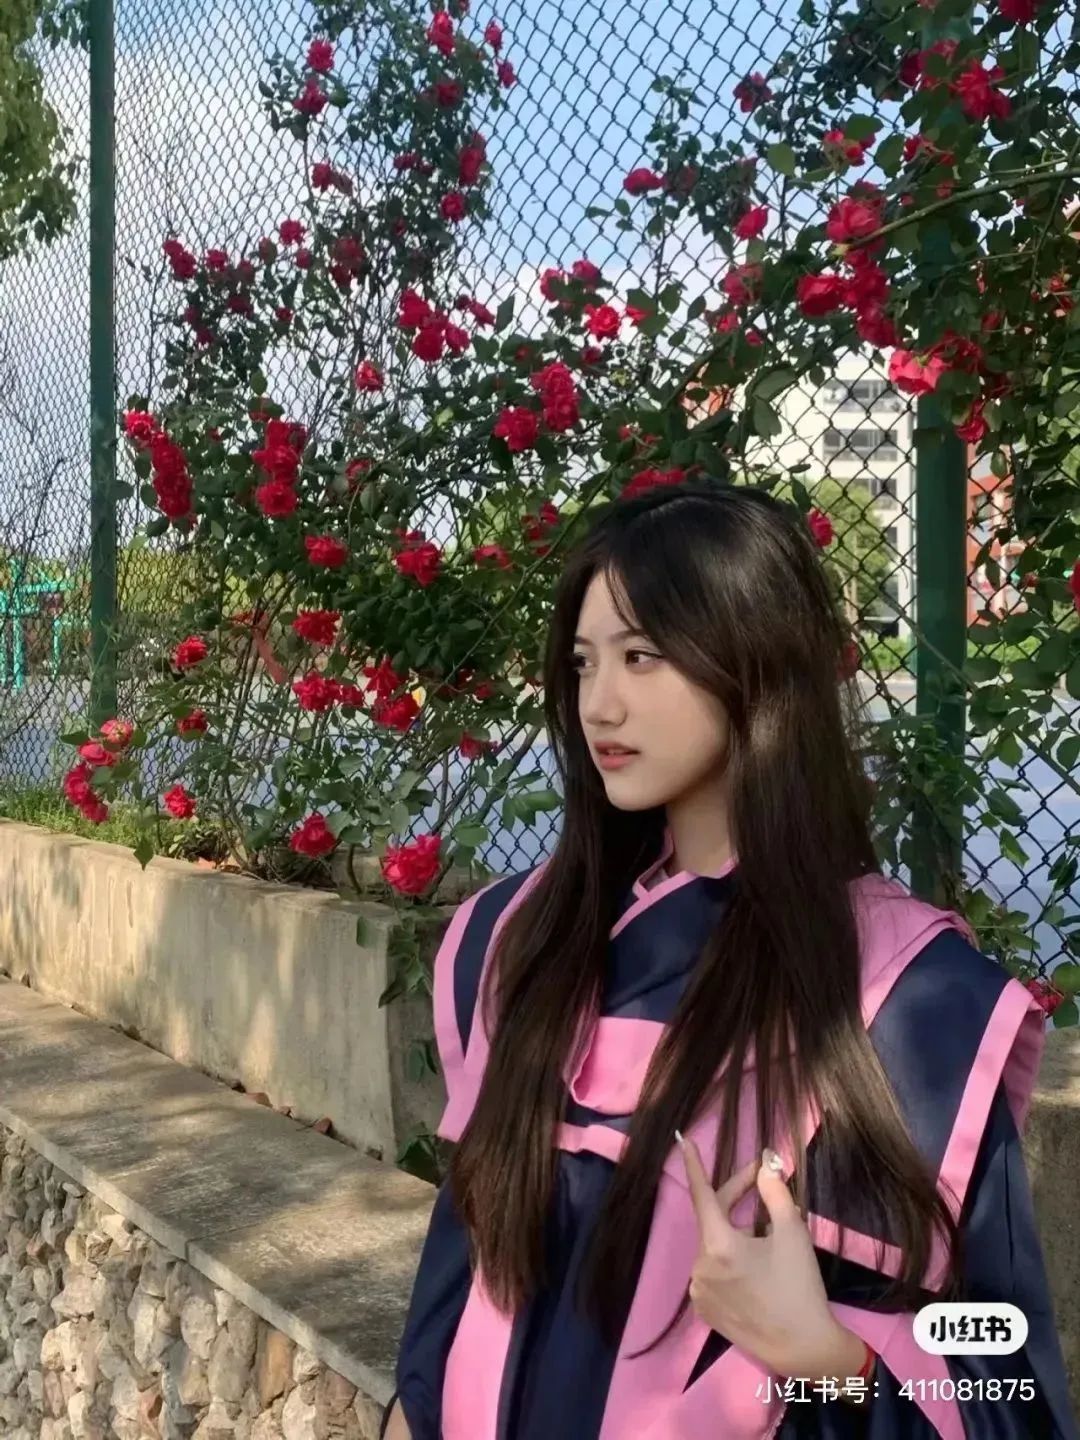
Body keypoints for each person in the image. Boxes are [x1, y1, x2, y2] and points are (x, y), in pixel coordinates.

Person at [380, 480, 1078, 1439]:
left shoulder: (906, 1003)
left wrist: (827, 1364)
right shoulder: (517, 939)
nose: (600, 703)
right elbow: (453, 1285)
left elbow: (1009, 1391)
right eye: (584, 663)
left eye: (643, 656)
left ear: (754, 662)